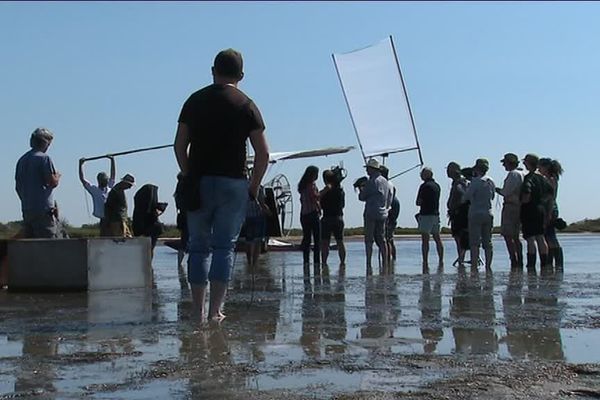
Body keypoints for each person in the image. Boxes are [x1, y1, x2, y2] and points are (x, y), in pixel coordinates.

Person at [174, 48, 269, 322]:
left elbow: (179, 145)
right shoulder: (246, 104)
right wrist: (253, 186)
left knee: (198, 246)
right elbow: (262, 153)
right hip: (233, 183)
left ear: (213, 71)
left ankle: (196, 310)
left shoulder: (194, 101)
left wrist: (188, 173)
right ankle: (216, 311)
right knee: (223, 247)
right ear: (241, 75)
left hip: (200, 182)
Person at [15, 127, 61, 238]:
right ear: (46, 143)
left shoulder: (22, 160)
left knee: (31, 245)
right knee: (47, 245)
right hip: (43, 211)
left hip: (27, 209)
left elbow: (17, 187)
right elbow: (52, 182)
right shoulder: (44, 158)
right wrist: (57, 176)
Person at [520, 153, 553, 270]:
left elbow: (526, 195)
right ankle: (545, 264)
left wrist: (521, 202)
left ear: (528, 163)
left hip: (530, 210)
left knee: (530, 239)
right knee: (540, 237)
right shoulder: (543, 179)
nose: (523, 163)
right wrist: (548, 212)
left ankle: (531, 265)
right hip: (541, 210)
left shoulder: (529, 177)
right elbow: (550, 196)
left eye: (525, 162)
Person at [358, 158, 391, 273]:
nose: (366, 170)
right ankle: (385, 261)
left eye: (368, 168)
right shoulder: (385, 181)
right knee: (382, 239)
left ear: (372, 169)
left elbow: (362, 197)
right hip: (383, 213)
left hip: (371, 212)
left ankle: (368, 263)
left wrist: (361, 188)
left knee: (369, 240)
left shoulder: (371, 181)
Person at [463, 159, 496, 270]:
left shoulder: (475, 182)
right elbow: (492, 196)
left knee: (474, 242)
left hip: (475, 213)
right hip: (488, 212)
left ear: (477, 169)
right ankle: (488, 266)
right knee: (488, 242)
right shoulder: (491, 181)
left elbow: (466, 197)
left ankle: (474, 266)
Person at [495, 153, 525, 269]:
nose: (503, 165)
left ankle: (514, 259)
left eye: (504, 163)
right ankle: (520, 258)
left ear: (509, 163)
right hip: (520, 207)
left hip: (511, 207)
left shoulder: (513, 174)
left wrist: (497, 189)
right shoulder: (523, 173)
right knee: (516, 236)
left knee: (508, 235)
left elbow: (505, 192)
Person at [79, 156, 116, 235]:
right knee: (104, 236)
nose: (105, 181)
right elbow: (82, 179)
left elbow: (113, 175)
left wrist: (112, 160)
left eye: (105, 180)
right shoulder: (94, 190)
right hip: (103, 218)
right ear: (99, 181)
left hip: (112, 217)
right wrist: (80, 165)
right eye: (103, 180)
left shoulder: (109, 187)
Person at [538, 158, 564, 269]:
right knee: (548, 236)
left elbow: (550, 198)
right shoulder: (550, 179)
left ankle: (557, 263)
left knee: (550, 236)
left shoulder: (551, 179)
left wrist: (548, 213)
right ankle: (553, 262)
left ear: (546, 167)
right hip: (549, 208)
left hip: (550, 209)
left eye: (540, 167)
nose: (539, 169)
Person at [416, 167, 444, 269]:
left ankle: (425, 261)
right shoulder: (437, 186)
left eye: (422, 174)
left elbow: (418, 202)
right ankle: (441, 260)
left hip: (426, 214)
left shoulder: (424, 186)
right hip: (436, 214)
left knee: (425, 239)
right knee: (437, 238)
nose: (420, 176)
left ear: (426, 175)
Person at [319, 169, 346, 265]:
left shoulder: (325, 192)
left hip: (327, 218)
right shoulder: (340, 191)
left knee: (325, 243)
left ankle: (324, 263)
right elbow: (342, 205)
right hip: (338, 217)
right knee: (340, 242)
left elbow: (319, 201)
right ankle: (342, 263)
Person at [132, 183, 167, 255]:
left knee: (147, 250)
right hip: (150, 228)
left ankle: (147, 264)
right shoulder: (152, 208)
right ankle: (148, 264)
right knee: (149, 249)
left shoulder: (143, 206)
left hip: (148, 228)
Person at [446, 162, 470, 266]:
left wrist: (455, 207)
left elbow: (461, 195)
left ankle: (461, 259)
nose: (447, 172)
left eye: (449, 170)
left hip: (459, 214)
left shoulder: (459, 183)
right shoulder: (459, 182)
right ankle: (461, 258)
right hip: (459, 213)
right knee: (460, 237)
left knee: (459, 237)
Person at [298, 165, 321, 268]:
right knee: (317, 239)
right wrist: (325, 190)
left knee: (307, 238)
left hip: (304, 214)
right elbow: (314, 197)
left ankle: (306, 261)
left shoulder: (302, 186)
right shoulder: (311, 185)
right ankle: (316, 262)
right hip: (312, 214)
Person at [244, 184, 270, 266]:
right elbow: (262, 203)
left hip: (247, 216)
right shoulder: (260, 188)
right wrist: (269, 212)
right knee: (258, 241)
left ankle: (249, 262)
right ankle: (254, 264)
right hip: (258, 217)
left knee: (248, 241)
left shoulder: (244, 187)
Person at [380, 165, 399, 263]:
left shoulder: (386, 184)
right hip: (392, 212)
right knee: (390, 239)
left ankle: (387, 261)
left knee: (387, 239)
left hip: (389, 213)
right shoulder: (390, 184)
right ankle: (392, 260)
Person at [174, 173, 188, 268]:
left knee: (184, 240)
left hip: (182, 216)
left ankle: (180, 265)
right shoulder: (187, 186)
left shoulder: (178, 189)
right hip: (189, 216)